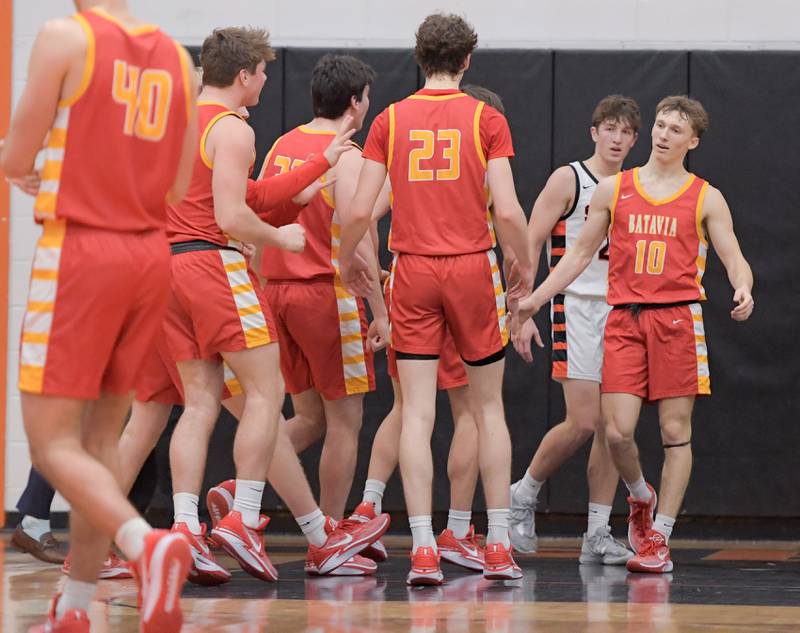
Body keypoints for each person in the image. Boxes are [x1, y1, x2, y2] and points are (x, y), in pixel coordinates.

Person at [0, 0, 198, 630]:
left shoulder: (65, 38)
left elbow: (14, 158)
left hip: (82, 251)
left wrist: (33, 170)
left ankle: (146, 544)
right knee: (97, 443)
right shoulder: (177, 57)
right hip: (148, 256)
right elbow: (175, 185)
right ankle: (75, 607)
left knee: (51, 441)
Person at [514, 96, 754, 573]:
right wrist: (536, 298)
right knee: (617, 431)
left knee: (672, 430)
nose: (663, 135)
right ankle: (641, 496)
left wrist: (743, 285)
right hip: (623, 318)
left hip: (677, 320)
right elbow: (578, 254)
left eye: (675, 129)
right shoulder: (613, 189)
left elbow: (732, 254)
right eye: (661, 125)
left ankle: (658, 537)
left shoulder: (706, 196)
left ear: (693, 141)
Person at [338, 13, 533, 585]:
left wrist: (347, 259)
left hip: (413, 270)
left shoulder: (391, 120)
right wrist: (521, 266)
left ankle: (423, 549)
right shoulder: (486, 118)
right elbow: (509, 210)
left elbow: (356, 212)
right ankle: (496, 544)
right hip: (472, 267)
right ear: (467, 60)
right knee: (488, 409)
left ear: (418, 58)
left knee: (416, 414)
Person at [257, 54, 389, 521]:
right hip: (326, 294)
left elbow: (257, 216)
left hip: (274, 292)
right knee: (345, 421)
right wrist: (381, 312)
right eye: (367, 98)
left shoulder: (279, 145)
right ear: (355, 103)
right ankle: (331, 532)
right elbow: (360, 238)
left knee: (308, 419)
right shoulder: (348, 156)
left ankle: (239, 493)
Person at [509, 95, 640, 566]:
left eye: (626, 132)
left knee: (612, 428)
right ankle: (522, 496)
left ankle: (598, 532)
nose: (617, 138)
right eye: (610, 128)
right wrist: (520, 312)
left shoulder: (636, 185)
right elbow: (529, 241)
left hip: (622, 313)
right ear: (594, 132)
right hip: (574, 305)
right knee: (583, 420)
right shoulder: (570, 178)